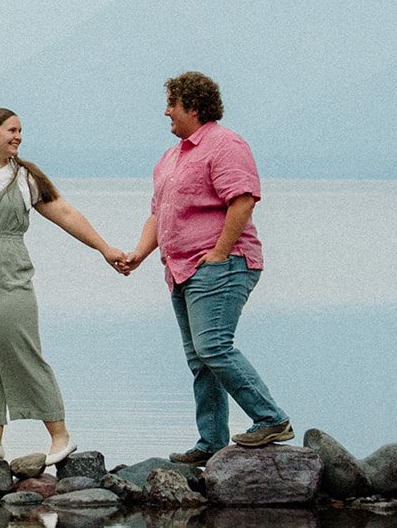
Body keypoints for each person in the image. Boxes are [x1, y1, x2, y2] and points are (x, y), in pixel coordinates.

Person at [0, 107, 125, 463]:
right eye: (12, 130)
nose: (18, 136)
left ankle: (60, 436)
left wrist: (104, 248)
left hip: (9, 273)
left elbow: (65, 214)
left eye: (20, 131)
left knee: (20, 351)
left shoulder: (25, 177)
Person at [119, 72, 293, 462]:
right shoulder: (171, 158)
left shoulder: (225, 145)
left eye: (172, 104)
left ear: (193, 107)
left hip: (222, 264)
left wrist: (218, 252)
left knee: (213, 346)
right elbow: (158, 215)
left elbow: (243, 200)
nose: (166, 112)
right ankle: (211, 443)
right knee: (200, 358)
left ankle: (271, 418)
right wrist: (139, 254)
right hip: (180, 269)